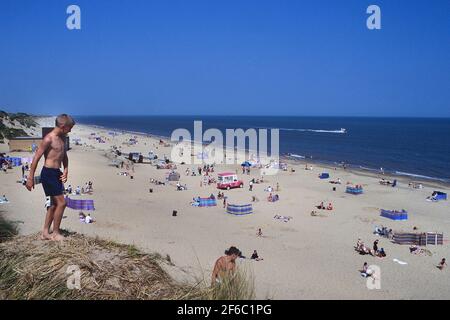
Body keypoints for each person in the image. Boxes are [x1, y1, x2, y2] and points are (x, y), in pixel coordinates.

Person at [26, 114, 75, 241]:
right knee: (62, 203)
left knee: (53, 205)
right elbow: (36, 158)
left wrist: (66, 170)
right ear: (63, 126)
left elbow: (64, 156)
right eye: (70, 128)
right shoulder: (49, 139)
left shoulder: (63, 137)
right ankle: (56, 233)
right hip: (48, 173)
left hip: (56, 173)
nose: (71, 130)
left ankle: (45, 232)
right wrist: (30, 178)